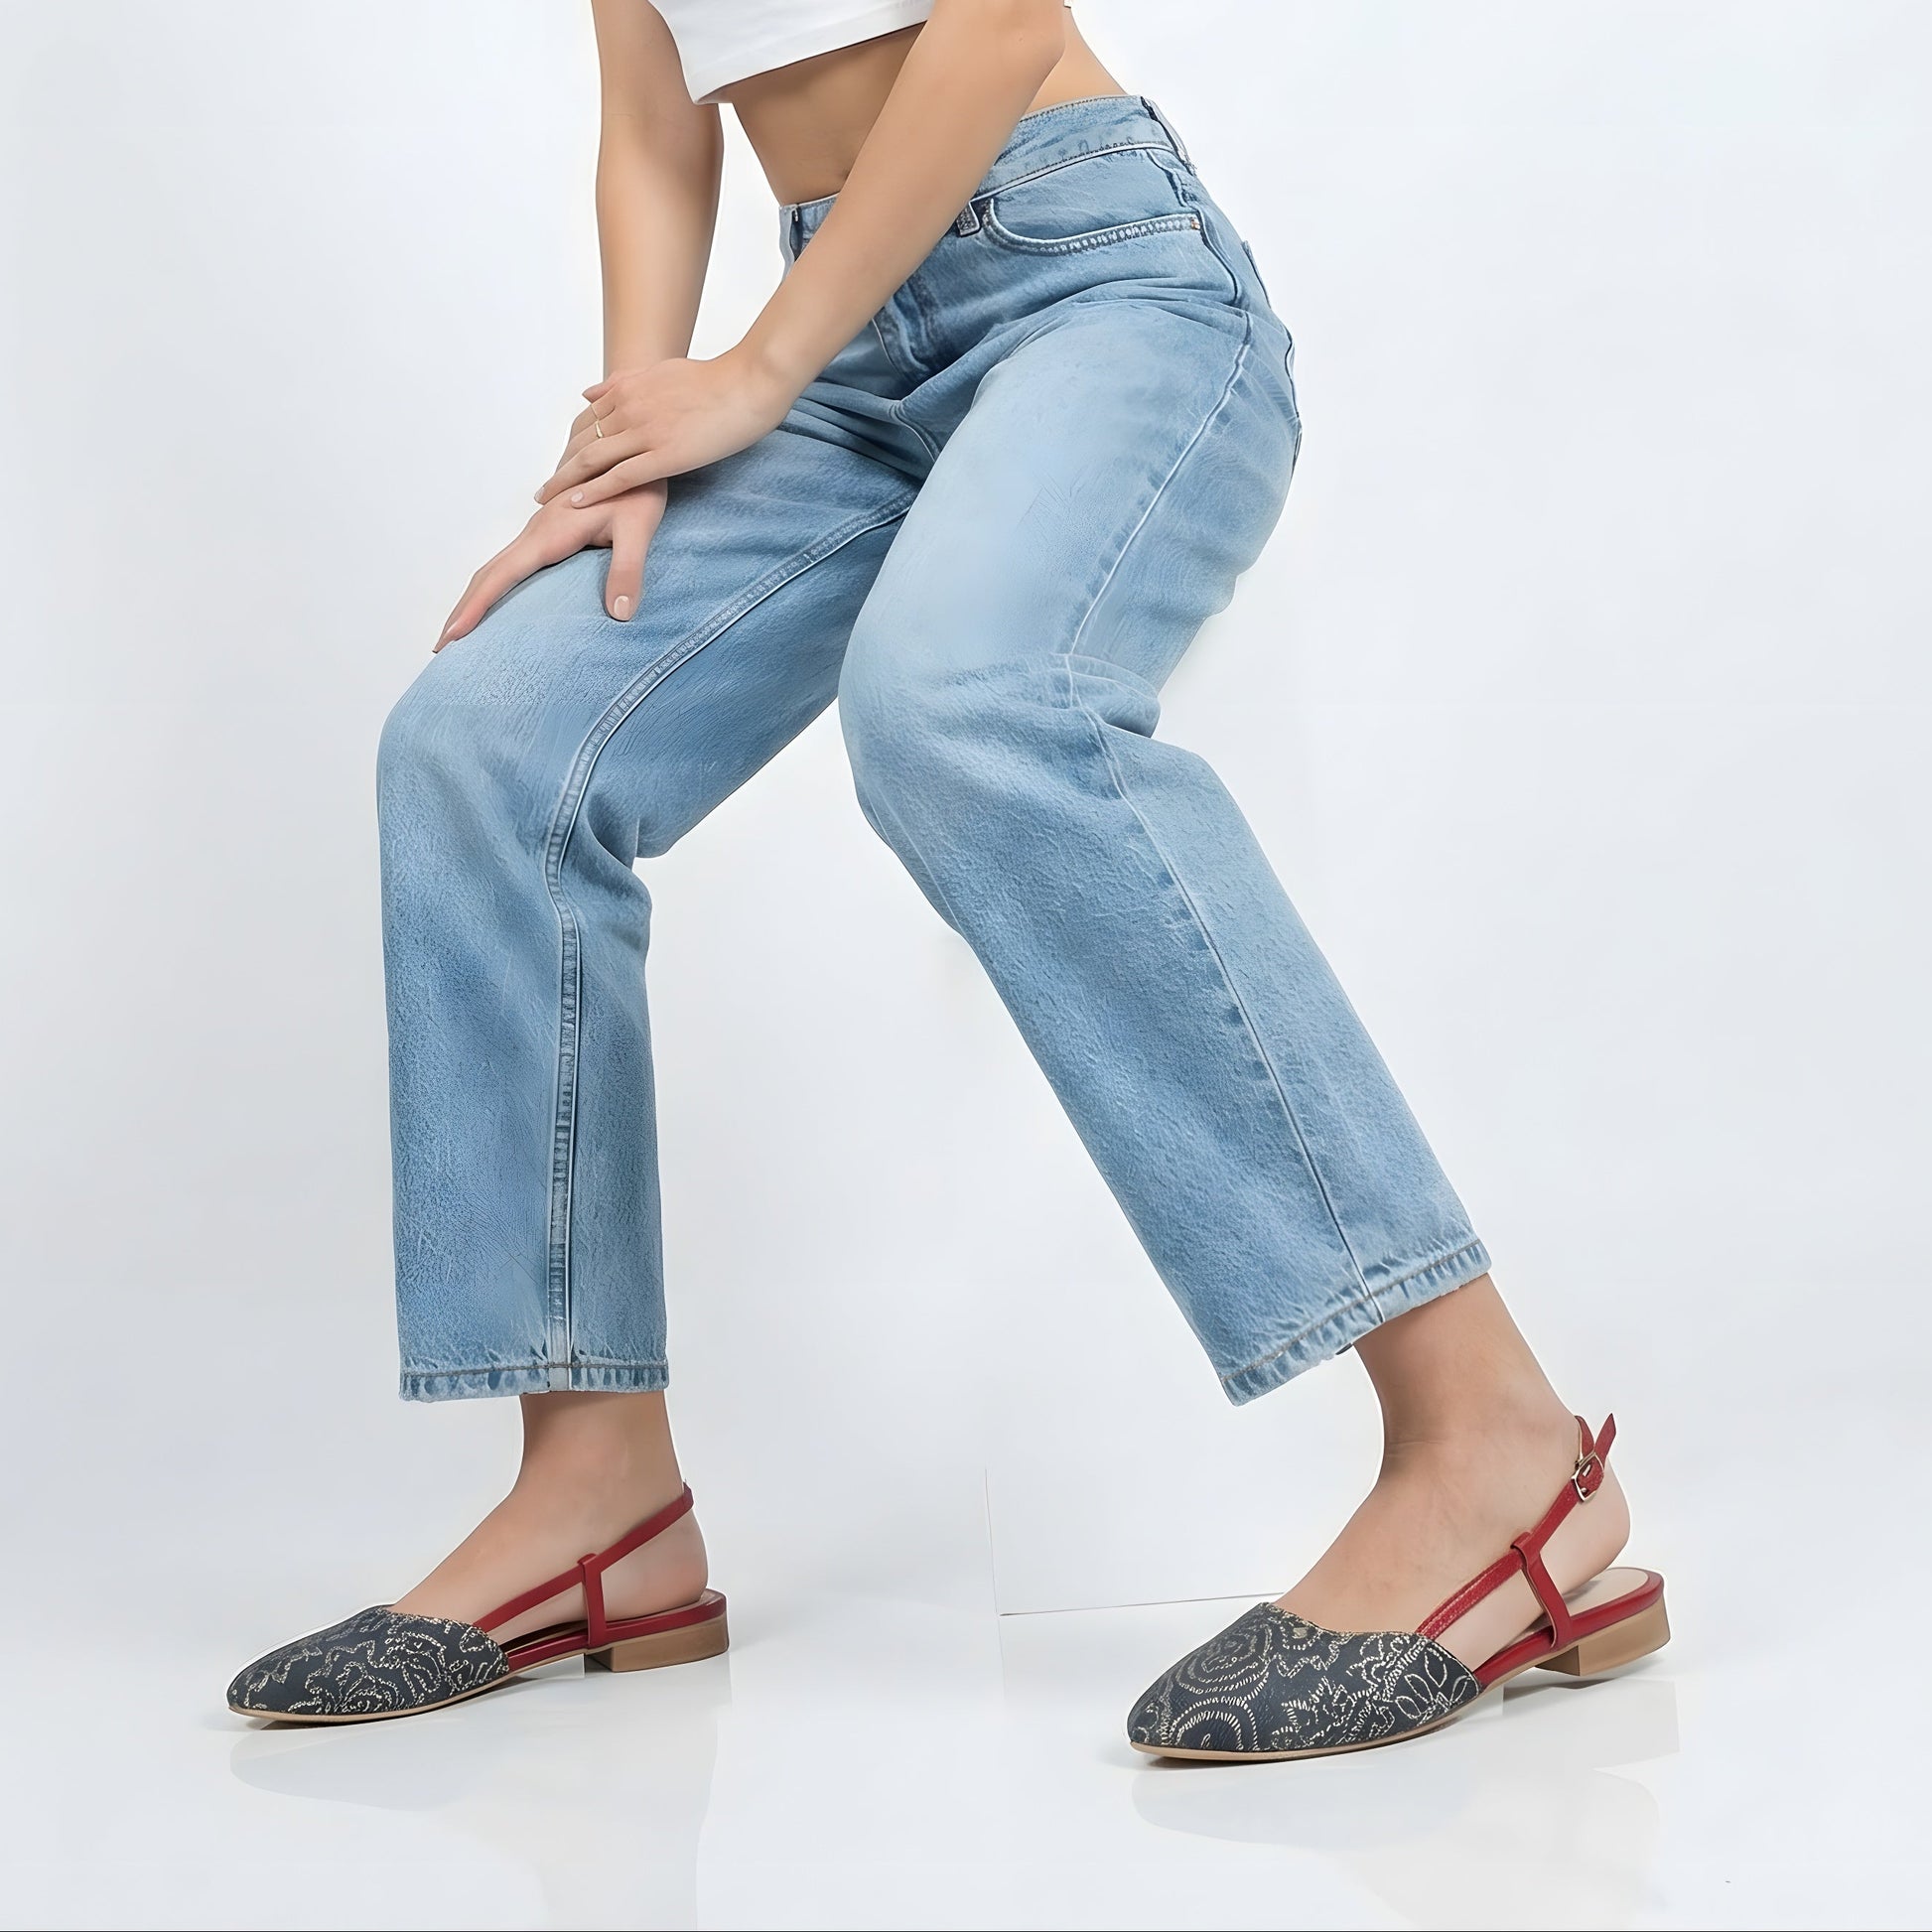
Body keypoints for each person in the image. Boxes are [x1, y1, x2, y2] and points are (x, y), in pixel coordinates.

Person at [226, 0, 1665, 1757]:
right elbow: (654, 112)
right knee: (482, 746)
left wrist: (756, 367)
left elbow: (999, 24)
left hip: (1095, 284)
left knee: (960, 704)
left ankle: (1492, 1442)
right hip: (838, 353)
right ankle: (594, 1495)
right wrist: (623, 451)